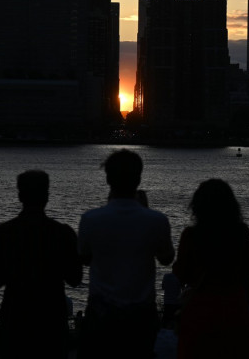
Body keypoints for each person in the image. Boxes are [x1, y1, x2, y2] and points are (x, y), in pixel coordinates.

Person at [78, 149, 175, 359]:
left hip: (102, 314)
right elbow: (166, 258)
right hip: (140, 316)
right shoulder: (156, 220)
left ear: (108, 179)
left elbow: (84, 258)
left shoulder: (91, 219)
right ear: (138, 178)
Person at [0, 170, 82, 359]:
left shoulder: (1, 234)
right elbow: (75, 278)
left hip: (14, 320)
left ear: (20, 195)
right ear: (47, 195)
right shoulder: (63, 234)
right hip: (51, 322)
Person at [172, 178, 249, 359]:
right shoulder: (242, 233)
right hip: (234, 308)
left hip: (200, 309)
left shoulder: (191, 235)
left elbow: (181, 273)